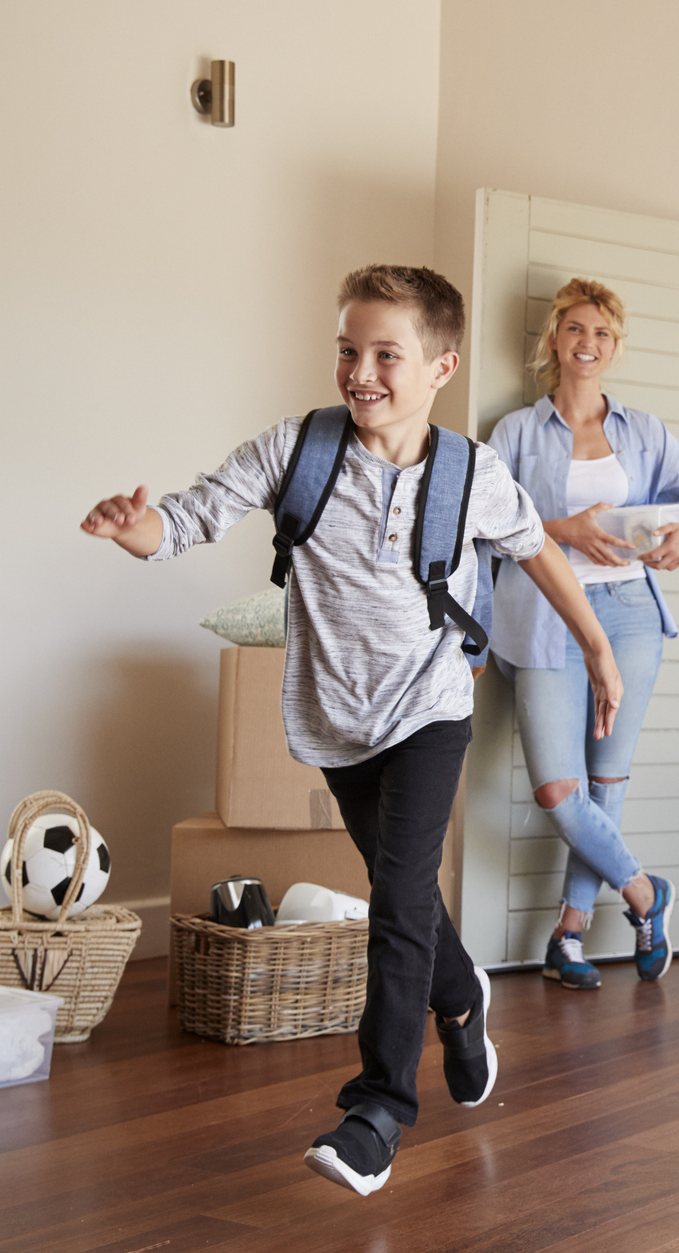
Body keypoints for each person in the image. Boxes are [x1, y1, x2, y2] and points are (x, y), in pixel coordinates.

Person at [78, 265, 624, 1200]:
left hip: (430, 706)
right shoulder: (299, 451)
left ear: (441, 365)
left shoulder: (472, 475)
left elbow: (538, 554)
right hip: (334, 716)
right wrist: (141, 530)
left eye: (385, 354)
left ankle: (378, 1110)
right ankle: (461, 995)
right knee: (398, 887)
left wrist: (600, 654)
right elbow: (193, 515)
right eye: (346, 350)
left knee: (400, 894)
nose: (360, 371)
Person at [487, 278, 679, 989]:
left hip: (630, 615)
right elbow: (484, 519)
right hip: (544, 619)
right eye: (575, 329)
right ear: (553, 340)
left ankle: (567, 938)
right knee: (560, 792)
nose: (586, 343)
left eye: (601, 333)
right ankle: (645, 894)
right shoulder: (515, 432)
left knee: (606, 783)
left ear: (614, 348)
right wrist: (562, 530)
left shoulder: (642, 431)